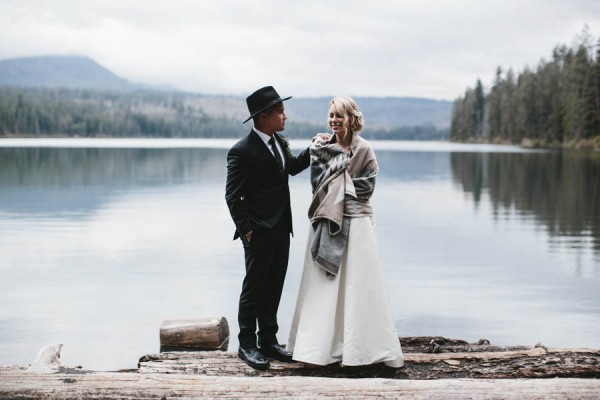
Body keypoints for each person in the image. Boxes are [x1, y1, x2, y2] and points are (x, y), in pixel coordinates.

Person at [287, 96, 404, 368]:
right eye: (331, 115)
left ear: (351, 118)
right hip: (327, 220)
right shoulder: (322, 147)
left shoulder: (364, 149)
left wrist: (340, 184)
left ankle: (361, 350)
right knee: (325, 288)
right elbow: (317, 187)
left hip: (358, 222)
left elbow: (368, 187)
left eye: (339, 115)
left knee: (360, 286)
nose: (334, 120)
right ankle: (320, 349)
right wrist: (328, 163)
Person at [225, 86, 310, 370]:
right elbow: (232, 195)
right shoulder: (241, 151)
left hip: (282, 229)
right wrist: (248, 232)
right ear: (263, 117)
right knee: (254, 289)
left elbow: (292, 167)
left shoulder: (280, 142)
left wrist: (317, 148)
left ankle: (269, 342)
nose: (285, 116)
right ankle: (247, 344)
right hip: (258, 232)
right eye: (280, 112)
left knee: (274, 286)